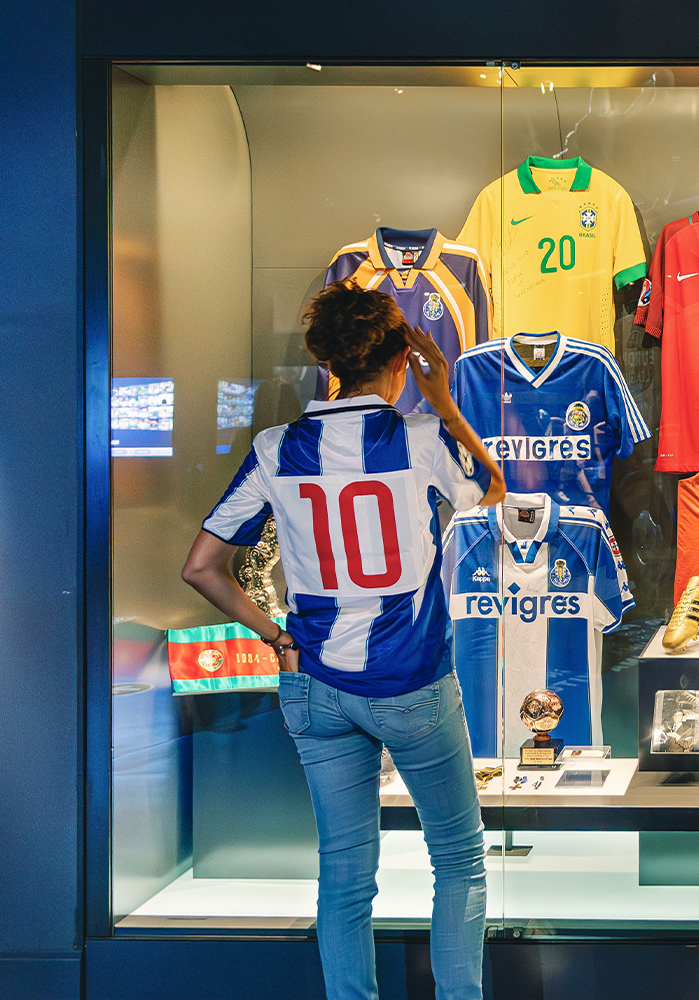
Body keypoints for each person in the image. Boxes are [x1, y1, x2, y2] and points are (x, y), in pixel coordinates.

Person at [182, 283, 506, 1000]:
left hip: (317, 684)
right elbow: (493, 486)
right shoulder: (419, 437)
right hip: (411, 682)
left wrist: (276, 635)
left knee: (345, 872)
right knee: (457, 861)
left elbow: (200, 566)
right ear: (403, 354)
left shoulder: (276, 447)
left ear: (325, 360)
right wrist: (443, 398)